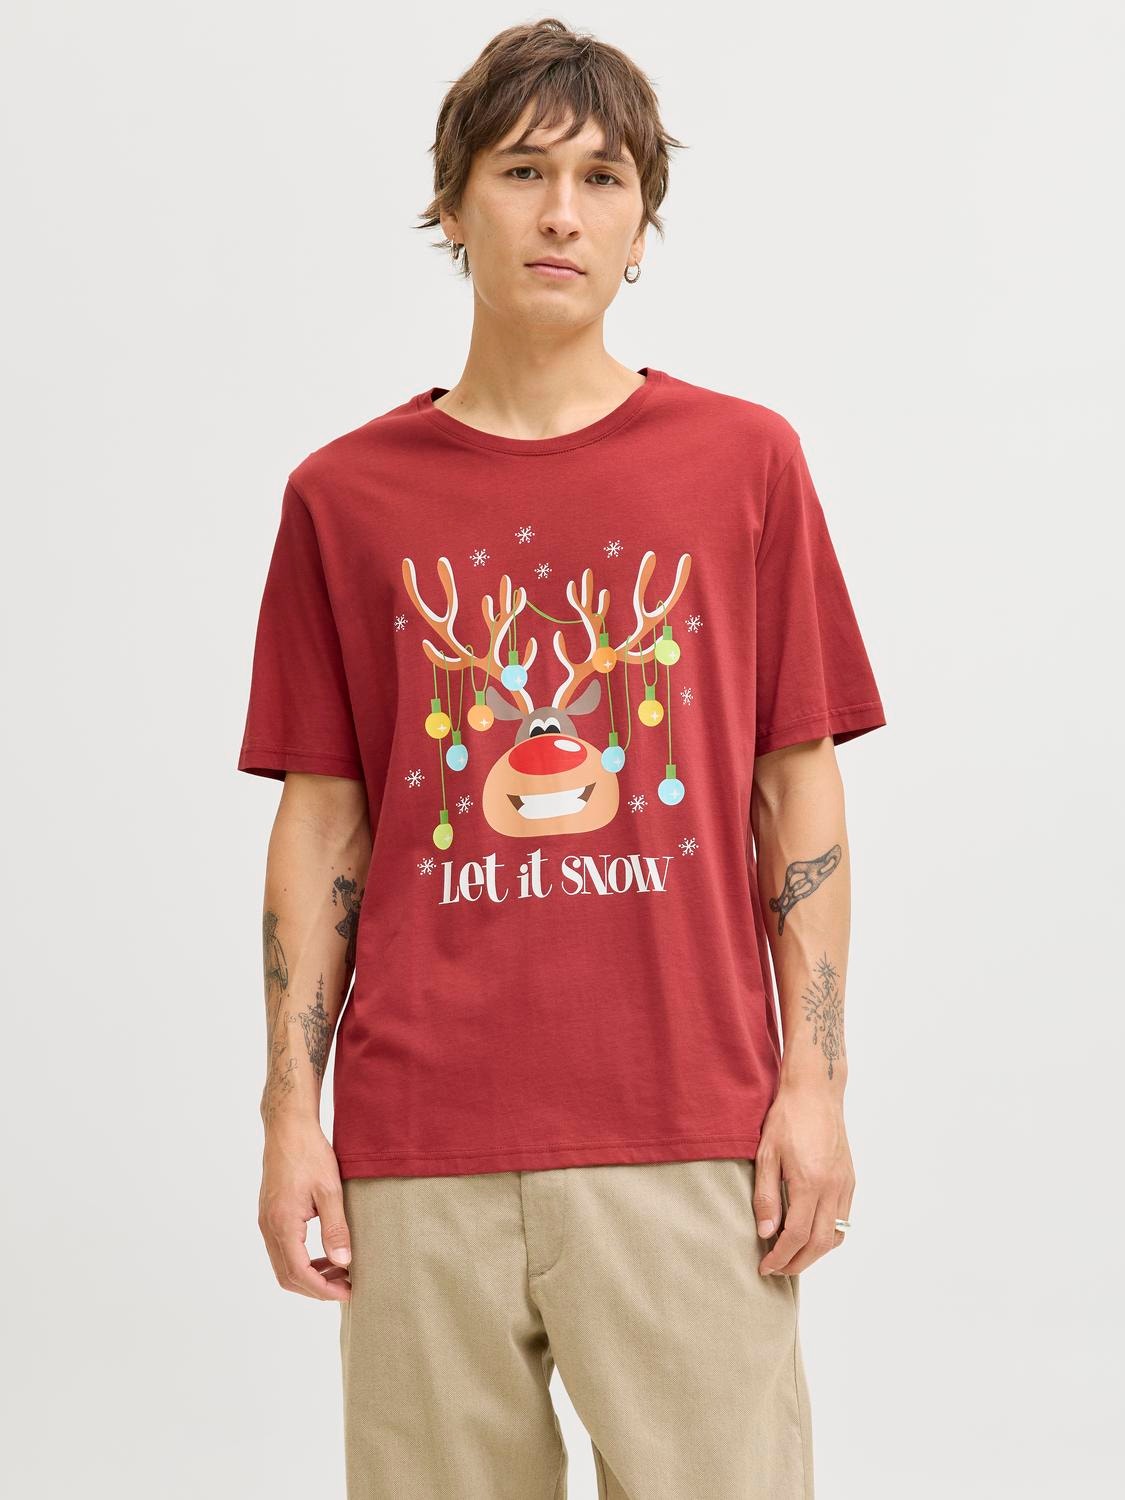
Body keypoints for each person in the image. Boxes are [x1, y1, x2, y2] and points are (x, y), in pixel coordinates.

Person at [238, 17, 886, 1499]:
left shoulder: (743, 464)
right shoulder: (343, 498)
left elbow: (796, 791)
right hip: (420, 1146)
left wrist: (816, 1084)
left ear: (641, 225)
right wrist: (288, 1116)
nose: (560, 213)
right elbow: (323, 826)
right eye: (522, 171)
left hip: (686, 1131)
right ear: (452, 202)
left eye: (602, 179)